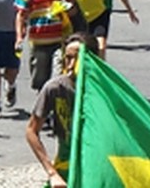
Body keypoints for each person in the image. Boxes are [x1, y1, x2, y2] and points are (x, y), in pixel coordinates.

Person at [25, 33, 99, 188]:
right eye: (68, 58)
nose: (71, 65)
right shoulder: (55, 88)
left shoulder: (103, 90)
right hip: (66, 167)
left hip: (96, 168)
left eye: (76, 59)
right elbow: (31, 131)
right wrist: (52, 173)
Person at [14, 0, 76, 91]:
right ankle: (44, 103)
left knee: (57, 77)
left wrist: (64, 10)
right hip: (38, 41)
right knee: (39, 80)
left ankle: (54, 108)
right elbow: (21, 14)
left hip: (60, 39)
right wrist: (19, 37)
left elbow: (74, 10)